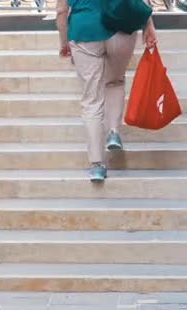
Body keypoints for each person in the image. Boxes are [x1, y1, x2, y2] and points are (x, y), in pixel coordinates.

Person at [56, 0, 157, 181]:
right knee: (115, 81)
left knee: (91, 99)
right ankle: (113, 132)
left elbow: (62, 11)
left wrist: (64, 42)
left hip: (83, 31)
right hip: (121, 28)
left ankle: (97, 165)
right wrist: (148, 24)